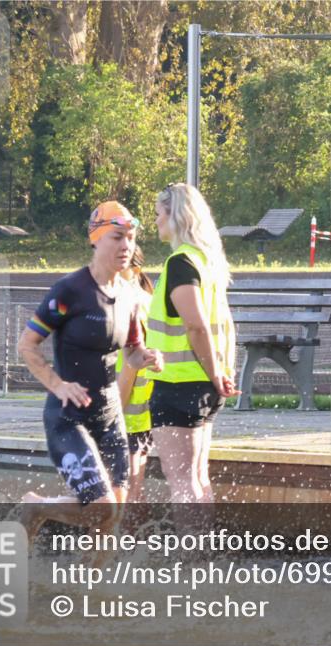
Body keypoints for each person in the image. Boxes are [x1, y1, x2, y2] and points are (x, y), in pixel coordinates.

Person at [16, 201, 163, 544]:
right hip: (69, 418)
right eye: (117, 237)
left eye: (131, 237)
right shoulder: (70, 291)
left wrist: (146, 357)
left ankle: (92, 590)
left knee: (111, 518)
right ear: (95, 239)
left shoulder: (129, 294)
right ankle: (36, 508)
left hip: (111, 416)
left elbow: (132, 349)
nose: (126, 246)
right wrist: (58, 384)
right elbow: (27, 344)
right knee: (102, 508)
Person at [146, 183, 238, 511]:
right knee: (199, 478)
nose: (155, 221)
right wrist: (219, 375)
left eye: (159, 214)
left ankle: (188, 561)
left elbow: (196, 326)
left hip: (179, 384)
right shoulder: (207, 262)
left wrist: (215, 375)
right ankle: (203, 557)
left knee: (183, 483)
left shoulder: (180, 263)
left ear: (176, 217)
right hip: (204, 384)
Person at [115, 243, 154, 513]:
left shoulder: (131, 305)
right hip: (143, 414)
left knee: (118, 496)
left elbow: (130, 366)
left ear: (135, 269)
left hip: (126, 411)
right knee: (131, 494)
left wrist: (113, 410)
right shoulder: (148, 301)